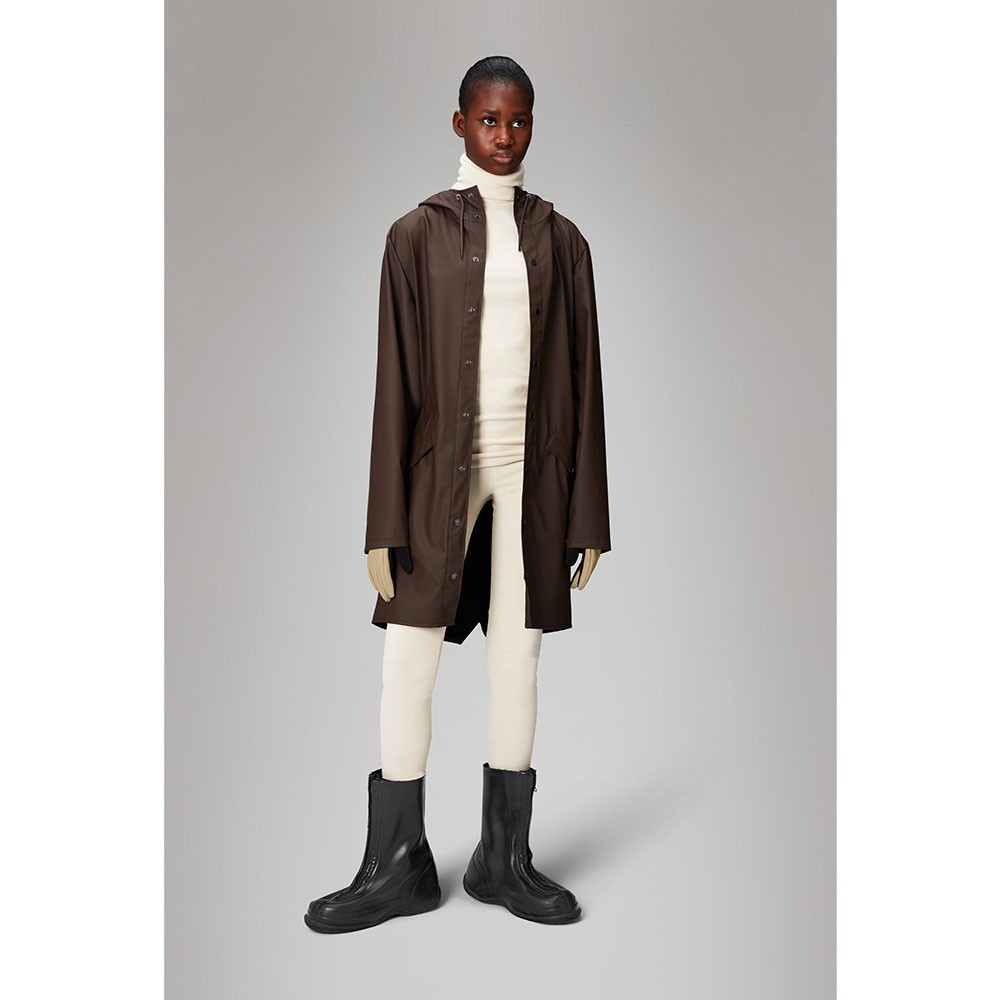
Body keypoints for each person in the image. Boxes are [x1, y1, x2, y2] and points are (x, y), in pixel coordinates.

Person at [305, 55, 611, 933]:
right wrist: (382, 521)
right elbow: (393, 385)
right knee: (409, 660)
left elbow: (586, 381)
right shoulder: (415, 235)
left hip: (533, 477)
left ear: (531, 125)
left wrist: (588, 514)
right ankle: (397, 864)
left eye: (519, 121)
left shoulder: (563, 241)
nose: (504, 136)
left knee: (518, 658)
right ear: (459, 123)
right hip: (438, 477)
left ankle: (502, 861)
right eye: (488, 120)